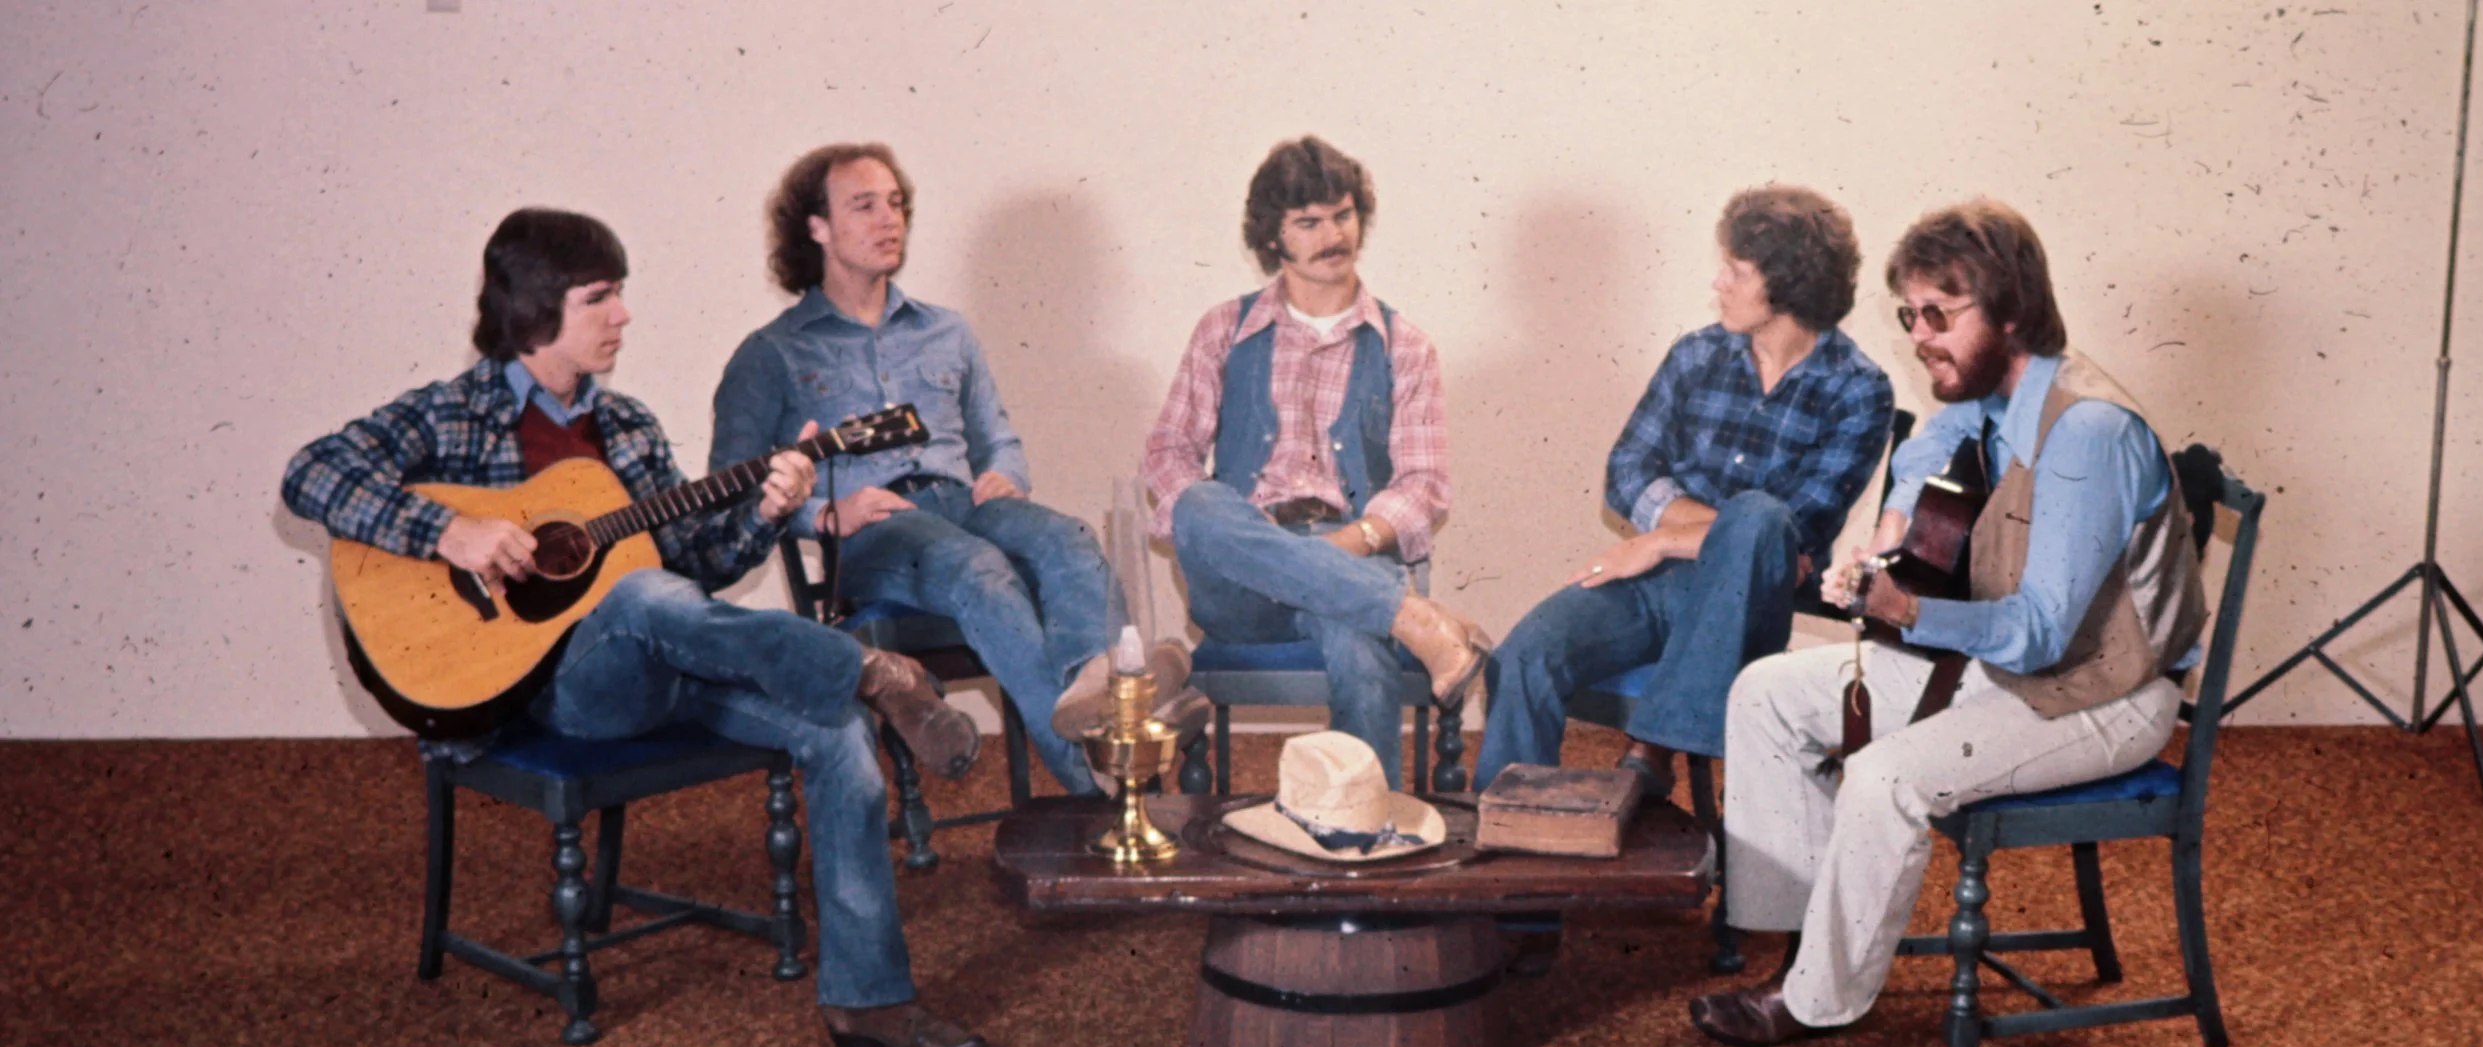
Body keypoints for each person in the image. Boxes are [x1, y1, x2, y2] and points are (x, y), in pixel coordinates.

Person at [282, 208, 994, 1047]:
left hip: (659, 667)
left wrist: (767, 512)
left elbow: (698, 567)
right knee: (644, 595)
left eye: (619, 294)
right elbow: (310, 473)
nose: (623, 315)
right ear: (534, 309)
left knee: (833, 727)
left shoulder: (626, 427)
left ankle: (869, 1002)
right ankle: (872, 669)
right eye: (599, 298)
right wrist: (449, 532)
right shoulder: (451, 416)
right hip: (541, 699)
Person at [1692, 198, 2207, 1047]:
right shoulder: (1996, 392)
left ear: (2011, 312)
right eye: (1911, 315)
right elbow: (1935, 444)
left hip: (2104, 696)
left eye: (1940, 314)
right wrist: (1894, 524)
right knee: (1765, 695)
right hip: (2011, 673)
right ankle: (1802, 947)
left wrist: (1909, 610)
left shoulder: (2087, 432)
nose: (1922, 336)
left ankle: (1817, 999)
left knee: (1885, 777)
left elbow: (2041, 634)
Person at [711, 142, 1121, 795]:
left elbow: (998, 439)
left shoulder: (948, 331)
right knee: (979, 569)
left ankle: (1093, 702)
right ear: (816, 227)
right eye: (864, 205)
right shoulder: (770, 354)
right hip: (877, 535)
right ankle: (1100, 784)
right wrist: (824, 515)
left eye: (896, 204)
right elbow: (730, 497)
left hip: (967, 508)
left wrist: (1005, 474)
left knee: (1070, 538)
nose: (889, 219)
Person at [1472, 185, 1896, 792]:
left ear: (1789, 284)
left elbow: (1790, 531)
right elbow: (1626, 471)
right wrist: (1679, 544)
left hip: (1749, 605)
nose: (1719, 283)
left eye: (1736, 271)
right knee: (1522, 658)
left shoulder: (1858, 388)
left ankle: (1652, 748)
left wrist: (1660, 538)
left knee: (1759, 514)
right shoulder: (1698, 354)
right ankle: (1512, 822)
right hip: (1654, 583)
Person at [1138, 135, 1488, 790]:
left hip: (1352, 553)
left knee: (1357, 643)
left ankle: (1366, 829)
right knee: (1200, 502)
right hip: (1242, 582)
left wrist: (1338, 549)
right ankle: (1415, 617)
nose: (1334, 235)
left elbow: (1424, 484)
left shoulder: (1405, 345)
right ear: (1273, 237)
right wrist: (1259, 545)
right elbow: (1167, 454)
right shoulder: (1223, 329)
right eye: (1309, 222)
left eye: (1343, 215)